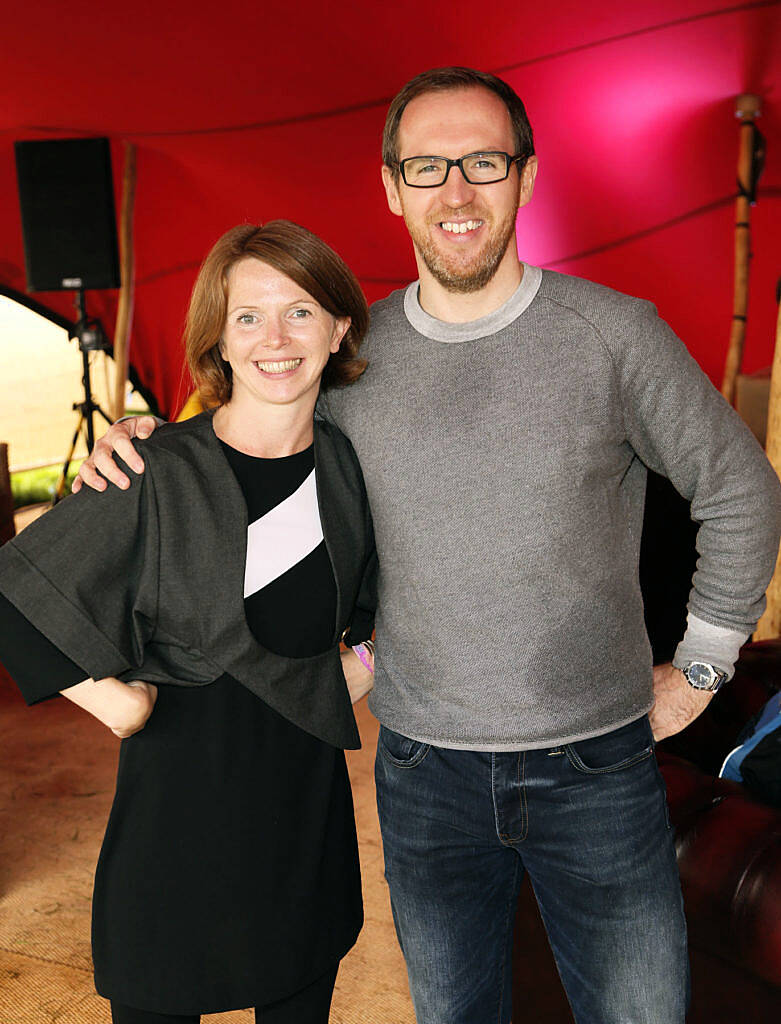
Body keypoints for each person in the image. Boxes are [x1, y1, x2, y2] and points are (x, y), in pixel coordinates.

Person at [73, 68, 781, 1024]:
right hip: (422, 775)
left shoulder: (614, 337)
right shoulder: (352, 359)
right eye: (427, 166)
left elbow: (739, 489)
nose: (456, 191)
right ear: (390, 188)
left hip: (598, 770)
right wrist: (141, 448)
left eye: (483, 163)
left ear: (525, 179)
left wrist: (699, 667)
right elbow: (248, 437)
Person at [0, 220, 378, 1024]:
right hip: (174, 834)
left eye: (300, 311)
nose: (274, 338)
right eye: (247, 316)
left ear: (339, 326)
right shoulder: (152, 466)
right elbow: (14, 591)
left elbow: (390, 601)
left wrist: (365, 664)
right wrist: (118, 702)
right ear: (221, 340)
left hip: (303, 829)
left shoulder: (351, 464)